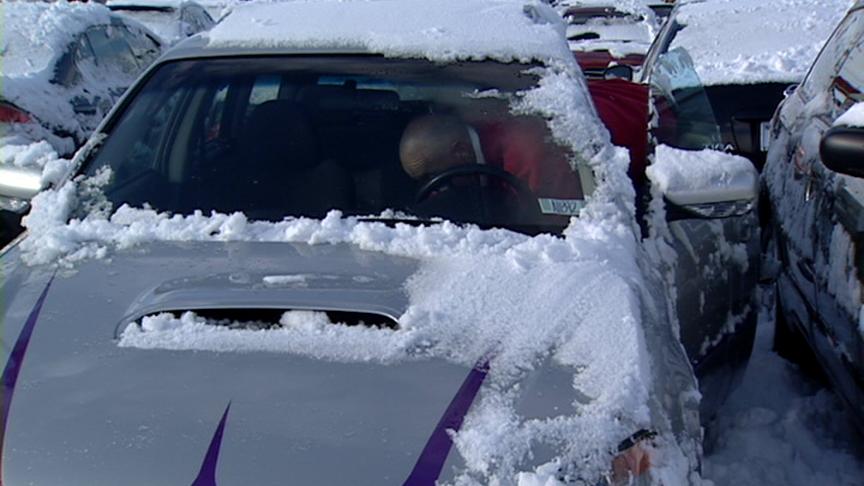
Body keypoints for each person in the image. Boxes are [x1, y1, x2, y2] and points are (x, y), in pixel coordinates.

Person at [399, 114, 582, 200]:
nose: (435, 190)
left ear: (461, 151)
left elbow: (549, 227)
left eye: (434, 176)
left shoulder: (530, 155)